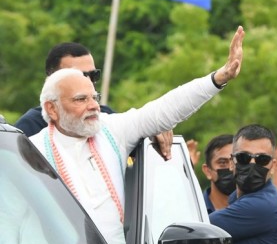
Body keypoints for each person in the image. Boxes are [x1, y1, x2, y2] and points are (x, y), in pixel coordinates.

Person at [29, 25, 245, 244]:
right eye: (81, 100)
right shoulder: (30, 151)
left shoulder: (111, 129)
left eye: (94, 97)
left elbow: (164, 108)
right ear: (51, 108)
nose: (94, 106)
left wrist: (218, 78)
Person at [15, 42, 173, 160]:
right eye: (79, 76)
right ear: (52, 80)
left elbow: (139, 150)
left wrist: (152, 130)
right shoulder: (30, 127)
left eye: (93, 75)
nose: (89, 82)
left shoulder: (104, 117)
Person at [201, 134, 235, 213]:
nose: (231, 167)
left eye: (235, 162)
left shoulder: (256, 211)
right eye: (223, 163)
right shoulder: (192, 211)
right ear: (207, 171)